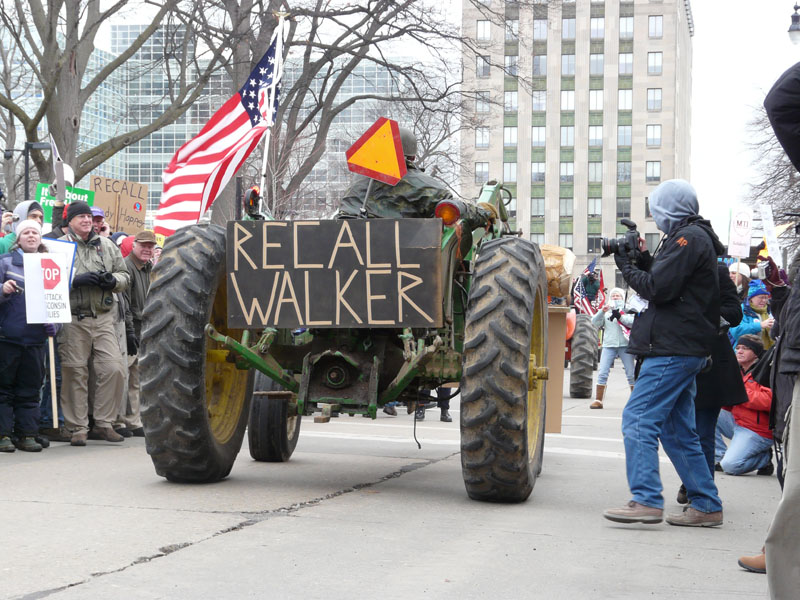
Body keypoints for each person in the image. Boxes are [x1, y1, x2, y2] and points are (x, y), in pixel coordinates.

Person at [602, 179, 726, 527]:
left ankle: (645, 500)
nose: (655, 216)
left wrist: (628, 267)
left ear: (669, 209)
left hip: (673, 348)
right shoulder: (689, 238)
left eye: (657, 209)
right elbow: (666, 279)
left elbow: (658, 288)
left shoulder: (687, 239)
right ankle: (705, 504)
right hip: (683, 347)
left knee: (638, 419)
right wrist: (641, 258)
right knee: (676, 431)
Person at [56, 201, 130, 446]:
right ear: (70, 221)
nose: (87, 221)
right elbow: (50, 278)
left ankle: (104, 423)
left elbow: (124, 275)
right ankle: (77, 428)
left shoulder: (107, 246)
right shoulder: (59, 246)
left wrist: (112, 281)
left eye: (89, 216)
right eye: (81, 217)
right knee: (75, 371)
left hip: (103, 317)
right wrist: (75, 281)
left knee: (114, 368)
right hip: (74, 319)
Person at [675, 263, 748, 504]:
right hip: (675, 358)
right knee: (679, 431)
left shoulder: (716, 270)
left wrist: (703, 317)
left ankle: (702, 494)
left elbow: (734, 312)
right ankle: (692, 481)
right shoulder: (672, 264)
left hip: (710, 362)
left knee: (702, 431)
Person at [0, 220, 59, 452]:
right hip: (7, 339)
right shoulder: (5, 262)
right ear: (18, 238)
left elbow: (58, 304)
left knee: (30, 390)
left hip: (35, 341)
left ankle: (28, 434)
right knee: (3, 390)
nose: (31, 236)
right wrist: (2, 290)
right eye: (26, 232)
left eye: (35, 232)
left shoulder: (51, 266)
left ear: (40, 238)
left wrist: (55, 326)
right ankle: (4, 435)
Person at [338, 128, 453, 220]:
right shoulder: (417, 181)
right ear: (412, 157)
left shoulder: (359, 179)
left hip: (344, 238)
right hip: (402, 244)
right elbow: (451, 206)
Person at [714, 335, 774, 476]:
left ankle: (764, 459)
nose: (739, 351)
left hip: (757, 429)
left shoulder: (765, 371)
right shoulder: (736, 370)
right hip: (739, 422)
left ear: (756, 353)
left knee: (731, 466)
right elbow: (730, 403)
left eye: (745, 348)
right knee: (707, 411)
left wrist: (739, 392)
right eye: (738, 348)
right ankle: (720, 457)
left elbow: (770, 401)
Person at [117, 230, 155, 436]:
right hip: (129, 327)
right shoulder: (126, 266)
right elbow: (126, 303)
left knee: (137, 376)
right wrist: (130, 331)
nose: (147, 250)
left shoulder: (149, 268)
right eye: (144, 246)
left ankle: (133, 420)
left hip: (144, 327)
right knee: (124, 374)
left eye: (150, 246)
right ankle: (120, 420)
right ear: (134, 245)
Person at [589, 287, 636, 409]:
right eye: (613, 295)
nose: (615, 297)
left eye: (618, 296)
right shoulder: (607, 311)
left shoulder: (627, 310)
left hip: (625, 345)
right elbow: (594, 322)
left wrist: (620, 317)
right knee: (603, 372)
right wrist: (602, 312)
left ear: (622, 297)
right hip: (609, 345)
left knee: (631, 373)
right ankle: (598, 400)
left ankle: (635, 401)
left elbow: (632, 322)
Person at [728, 281, 774, 350]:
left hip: (767, 353)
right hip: (745, 352)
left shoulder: (770, 311)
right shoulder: (742, 310)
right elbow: (736, 331)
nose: (764, 300)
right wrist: (760, 325)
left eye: (766, 297)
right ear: (751, 298)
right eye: (761, 297)